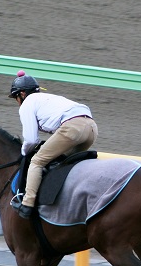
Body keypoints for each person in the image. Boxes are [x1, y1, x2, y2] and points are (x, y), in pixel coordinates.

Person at [8, 70, 99, 218]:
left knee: (37, 161)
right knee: (62, 162)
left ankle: (27, 205)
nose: (17, 101)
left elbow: (31, 140)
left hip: (73, 128)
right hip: (92, 128)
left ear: (22, 94)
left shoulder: (27, 103)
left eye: (16, 97)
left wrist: (23, 153)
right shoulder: (47, 98)